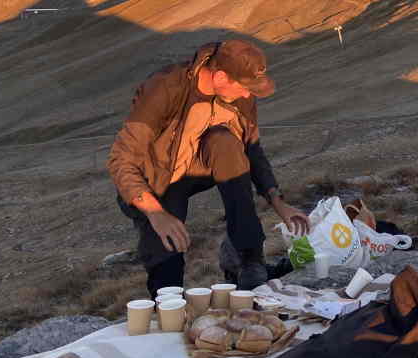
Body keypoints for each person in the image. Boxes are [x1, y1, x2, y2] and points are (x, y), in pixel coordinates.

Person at [108, 39, 310, 295]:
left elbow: (252, 150)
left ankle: (248, 262)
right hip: (158, 178)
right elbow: (121, 159)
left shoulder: (239, 96)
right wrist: (155, 213)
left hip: (203, 164)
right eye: (245, 87)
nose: (248, 95)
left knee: (227, 144)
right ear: (221, 76)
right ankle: (168, 299)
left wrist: (277, 201)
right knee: (167, 249)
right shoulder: (165, 88)